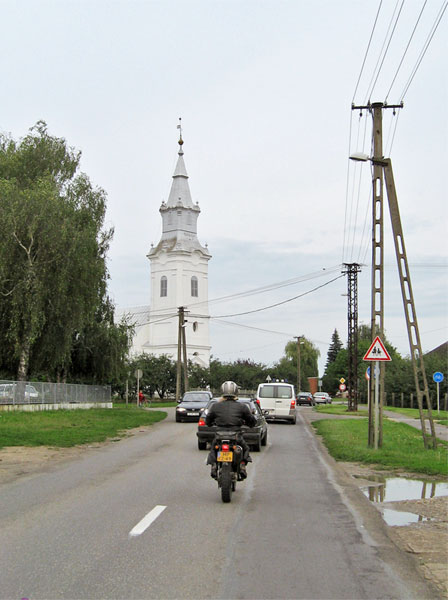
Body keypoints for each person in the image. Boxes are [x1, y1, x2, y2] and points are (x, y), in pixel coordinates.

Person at [205, 381, 257, 480]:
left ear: (222, 391)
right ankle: (242, 465)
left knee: (213, 448)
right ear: (236, 392)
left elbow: (208, 420)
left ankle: (214, 465)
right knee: (245, 448)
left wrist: (211, 423)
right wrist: (250, 424)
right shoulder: (242, 406)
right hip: (236, 435)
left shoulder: (215, 406)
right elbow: (251, 420)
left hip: (220, 435)